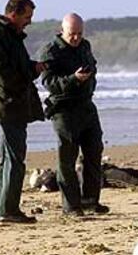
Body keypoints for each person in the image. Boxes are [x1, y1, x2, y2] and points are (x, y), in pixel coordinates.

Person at [0, 0, 46, 224]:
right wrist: (30, 73)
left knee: (7, 158)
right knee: (14, 158)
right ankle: (8, 210)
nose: (29, 21)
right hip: (8, 103)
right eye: (27, 16)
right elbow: (0, 74)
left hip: (13, 102)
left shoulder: (9, 34)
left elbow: (15, 67)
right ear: (14, 13)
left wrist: (34, 67)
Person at [40, 13, 108, 216]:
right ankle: (71, 206)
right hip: (64, 109)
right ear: (62, 31)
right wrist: (73, 79)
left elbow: (93, 67)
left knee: (94, 152)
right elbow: (48, 83)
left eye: (79, 33)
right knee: (67, 159)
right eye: (72, 34)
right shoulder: (51, 51)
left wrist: (87, 77)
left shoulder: (85, 46)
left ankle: (90, 200)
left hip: (86, 106)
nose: (76, 38)